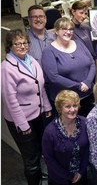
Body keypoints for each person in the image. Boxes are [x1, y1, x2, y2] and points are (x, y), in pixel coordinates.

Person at [1, 29, 52, 185]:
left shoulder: (31, 60)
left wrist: (47, 107)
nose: (22, 46)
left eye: (25, 43)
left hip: (37, 114)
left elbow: (40, 86)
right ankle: (33, 181)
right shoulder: (6, 68)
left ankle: (38, 176)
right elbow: (10, 100)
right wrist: (23, 125)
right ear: (9, 46)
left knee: (38, 150)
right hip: (21, 119)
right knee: (30, 158)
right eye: (17, 43)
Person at [42, 17, 96, 117]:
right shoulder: (49, 51)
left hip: (88, 95)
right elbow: (54, 77)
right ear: (56, 31)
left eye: (71, 29)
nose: (68, 32)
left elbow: (92, 63)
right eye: (64, 29)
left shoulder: (79, 43)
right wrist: (78, 85)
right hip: (67, 102)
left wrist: (88, 82)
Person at [42, 90, 90, 185]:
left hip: (81, 175)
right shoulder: (50, 132)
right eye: (67, 106)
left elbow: (87, 149)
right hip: (60, 179)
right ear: (59, 108)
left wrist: (81, 171)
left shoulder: (84, 122)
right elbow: (49, 159)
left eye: (75, 105)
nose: (72, 110)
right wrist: (69, 176)